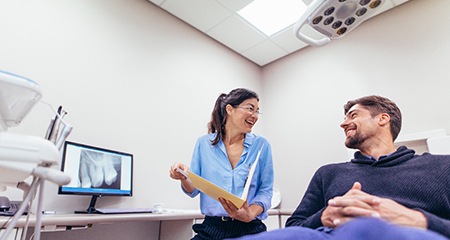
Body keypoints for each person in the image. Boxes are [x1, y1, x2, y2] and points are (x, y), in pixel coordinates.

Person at [229, 95, 449, 240]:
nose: (343, 123)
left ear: (383, 119)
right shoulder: (329, 173)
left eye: (353, 115)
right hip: (329, 234)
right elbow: (294, 224)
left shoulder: (441, 166)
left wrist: (418, 219)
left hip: (412, 232)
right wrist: (324, 216)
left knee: (366, 229)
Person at [169, 88, 274, 240]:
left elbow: (265, 191)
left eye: (257, 111)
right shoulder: (203, 144)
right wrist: (184, 177)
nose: (255, 116)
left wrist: (250, 213)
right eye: (250, 109)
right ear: (230, 109)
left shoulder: (261, 145)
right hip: (211, 229)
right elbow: (193, 190)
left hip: (250, 229)